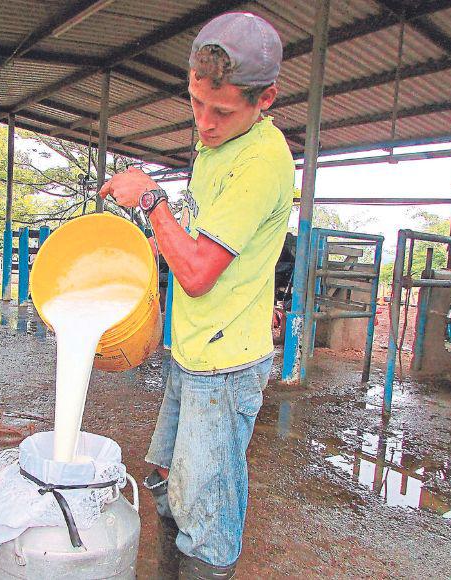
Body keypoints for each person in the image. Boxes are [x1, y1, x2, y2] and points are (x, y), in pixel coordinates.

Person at [100, 12, 293, 579]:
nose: (204, 124)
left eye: (222, 111)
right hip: (194, 352)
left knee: (208, 514)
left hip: (227, 364)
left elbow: (199, 273)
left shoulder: (261, 161)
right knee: (164, 478)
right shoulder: (219, 149)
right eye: (196, 104)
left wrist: (152, 201)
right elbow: (195, 244)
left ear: (266, 99)